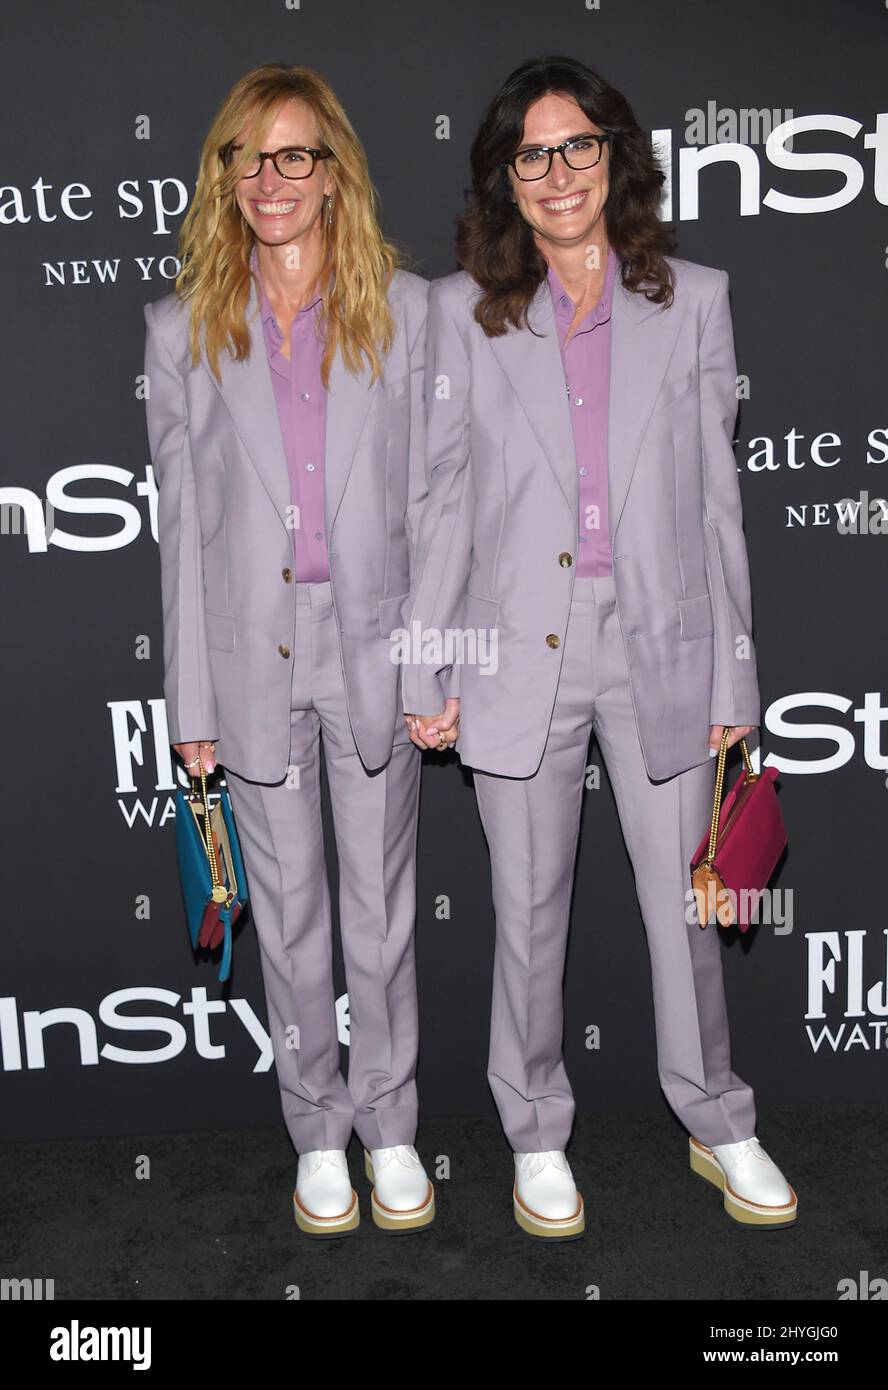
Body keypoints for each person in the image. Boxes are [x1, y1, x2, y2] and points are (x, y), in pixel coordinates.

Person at [402, 55, 796, 1238]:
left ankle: (719, 1119)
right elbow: (441, 501)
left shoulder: (698, 299)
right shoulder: (461, 312)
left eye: (578, 146)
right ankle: (532, 1131)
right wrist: (428, 662)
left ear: (615, 156)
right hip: (519, 651)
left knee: (691, 910)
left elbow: (721, 502)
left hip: (664, 645)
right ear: (504, 181)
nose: (558, 172)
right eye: (532, 154)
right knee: (525, 910)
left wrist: (736, 676)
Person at [144, 63, 433, 1238]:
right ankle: (317, 1128)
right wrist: (190, 699)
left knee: (382, 908)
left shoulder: (409, 312)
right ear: (224, 176)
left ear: (335, 175)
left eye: (295, 155)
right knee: (295, 911)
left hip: (375, 643)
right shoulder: (181, 331)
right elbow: (181, 537)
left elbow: (439, 504)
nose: (271, 179)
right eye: (246, 157)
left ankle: (394, 1125)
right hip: (252, 654)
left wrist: (431, 663)